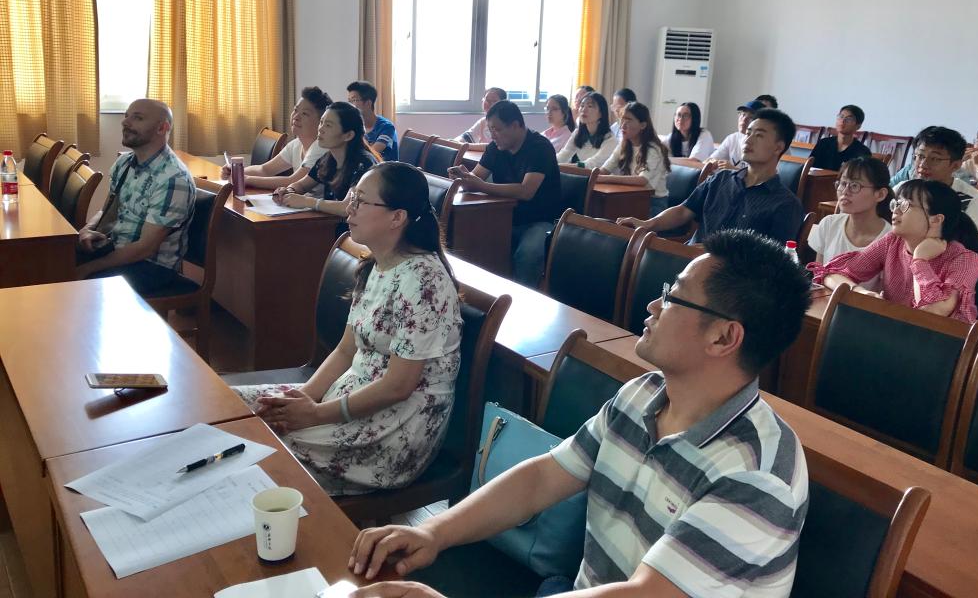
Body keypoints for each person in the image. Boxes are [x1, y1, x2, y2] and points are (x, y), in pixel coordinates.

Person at [348, 230, 811, 598]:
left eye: (673, 296)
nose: (654, 305)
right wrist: (434, 533)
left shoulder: (758, 474)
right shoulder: (643, 395)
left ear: (724, 338)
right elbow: (543, 478)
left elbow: (645, 594)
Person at [233, 162, 462, 494]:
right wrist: (303, 397)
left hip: (395, 427)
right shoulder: (377, 263)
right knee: (235, 407)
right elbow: (345, 350)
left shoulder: (425, 280)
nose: (349, 208)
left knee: (259, 442)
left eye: (360, 201)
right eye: (352, 198)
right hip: (349, 398)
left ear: (397, 217)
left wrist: (314, 414)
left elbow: (398, 386)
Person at [618, 108, 804, 246]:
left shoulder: (786, 204)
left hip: (729, 281)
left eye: (759, 136)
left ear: (778, 147)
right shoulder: (720, 179)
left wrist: (712, 256)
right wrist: (647, 224)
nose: (748, 140)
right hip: (689, 260)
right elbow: (683, 211)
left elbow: (772, 261)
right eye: (748, 133)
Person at [812, 179, 978, 323]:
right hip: (894, 332)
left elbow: (933, 312)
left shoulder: (965, 259)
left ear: (936, 220)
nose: (895, 210)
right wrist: (860, 292)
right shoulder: (893, 242)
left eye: (906, 205)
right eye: (897, 203)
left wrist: (920, 260)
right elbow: (831, 274)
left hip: (941, 344)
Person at [75, 99, 196, 294]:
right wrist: (87, 230)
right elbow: (108, 211)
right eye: (126, 116)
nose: (125, 122)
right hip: (117, 250)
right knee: (52, 262)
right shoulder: (124, 163)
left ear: (162, 128)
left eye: (137, 118)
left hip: (150, 267)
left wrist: (88, 268)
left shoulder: (173, 178)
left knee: (78, 287)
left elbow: (145, 248)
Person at [448, 100, 560, 288]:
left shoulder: (540, 147)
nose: (492, 135)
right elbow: (476, 178)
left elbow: (526, 191)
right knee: (472, 241)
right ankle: (484, 297)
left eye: (497, 129)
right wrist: (464, 178)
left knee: (527, 254)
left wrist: (481, 185)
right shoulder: (496, 147)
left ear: (515, 125)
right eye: (490, 130)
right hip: (503, 216)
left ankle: (524, 299)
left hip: (540, 221)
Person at [274, 101, 377, 220]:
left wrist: (307, 201)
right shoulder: (328, 158)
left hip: (356, 229)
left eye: (328, 125)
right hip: (330, 225)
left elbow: (347, 207)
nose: (321, 129)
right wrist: (288, 191)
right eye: (321, 122)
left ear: (348, 135)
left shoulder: (364, 163)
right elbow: (302, 185)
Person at [894, 126, 978, 253]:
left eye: (934, 159)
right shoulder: (902, 190)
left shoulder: (973, 199)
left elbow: (977, 251)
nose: (923, 164)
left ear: (956, 165)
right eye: (920, 156)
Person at [219, 87, 332, 190]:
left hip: (315, 205)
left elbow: (293, 181)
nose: (296, 117)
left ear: (320, 122)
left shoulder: (320, 147)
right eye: (295, 110)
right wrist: (236, 172)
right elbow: (264, 170)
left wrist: (247, 179)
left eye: (305, 114)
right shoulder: (296, 144)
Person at [809, 157, 892, 290]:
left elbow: (884, 295)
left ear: (880, 194)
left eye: (854, 186)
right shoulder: (829, 224)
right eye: (842, 183)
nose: (845, 191)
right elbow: (818, 278)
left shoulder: (891, 240)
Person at [597, 102, 670, 217]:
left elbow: (642, 180)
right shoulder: (624, 145)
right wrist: (591, 176)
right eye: (622, 119)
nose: (623, 125)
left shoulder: (653, 149)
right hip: (630, 197)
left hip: (653, 203)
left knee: (612, 217)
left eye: (629, 120)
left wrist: (607, 179)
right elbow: (604, 170)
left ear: (643, 125)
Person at [556, 92, 616, 169]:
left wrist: (561, 166)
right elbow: (563, 155)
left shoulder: (610, 139)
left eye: (590, 106)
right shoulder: (577, 133)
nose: (584, 109)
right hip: (579, 174)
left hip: (597, 176)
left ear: (601, 113)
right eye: (582, 106)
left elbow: (592, 164)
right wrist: (548, 161)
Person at [809, 104, 872, 171]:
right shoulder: (823, 143)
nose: (842, 121)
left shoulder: (863, 152)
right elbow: (810, 168)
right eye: (841, 116)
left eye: (849, 119)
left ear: (858, 126)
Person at [347, 81, 398, 162]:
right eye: (349, 101)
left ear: (368, 103)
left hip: (385, 168)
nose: (350, 106)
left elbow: (371, 155)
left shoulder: (386, 127)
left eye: (354, 100)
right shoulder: (354, 125)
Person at [707, 99, 765, 167]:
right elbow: (711, 159)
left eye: (751, 117)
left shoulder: (762, 144)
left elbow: (758, 173)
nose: (744, 119)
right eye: (743, 114)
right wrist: (712, 162)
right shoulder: (732, 138)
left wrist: (733, 170)